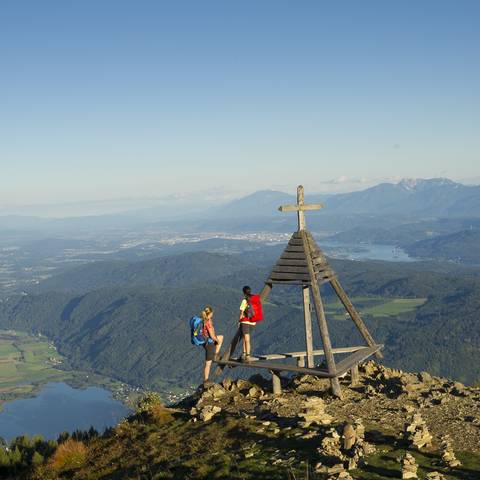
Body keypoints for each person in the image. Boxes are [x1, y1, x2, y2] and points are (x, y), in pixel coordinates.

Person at [201, 305, 223, 387]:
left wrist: (217, 339)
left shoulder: (204, 320)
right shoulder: (208, 322)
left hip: (205, 342)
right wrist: (216, 340)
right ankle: (206, 380)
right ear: (210, 313)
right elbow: (211, 335)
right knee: (208, 363)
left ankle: (216, 354)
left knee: (221, 337)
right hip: (209, 343)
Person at [239, 285, 255, 362]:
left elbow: (241, 313)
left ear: (244, 292)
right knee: (246, 338)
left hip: (245, 321)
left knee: (246, 339)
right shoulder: (254, 300)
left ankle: (246, 355)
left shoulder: (244, 301)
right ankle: (245, 354)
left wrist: (239, 321)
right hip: (253, 322)